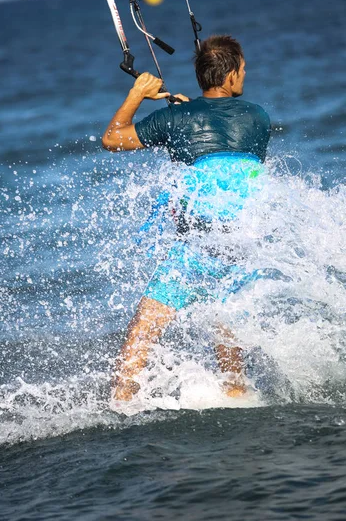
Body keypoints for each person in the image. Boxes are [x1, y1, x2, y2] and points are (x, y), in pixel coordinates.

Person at [102, 35, 271, 401]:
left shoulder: (176, 119)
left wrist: (138, 95)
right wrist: (186, 114)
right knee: (229, 351)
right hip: (240, 248)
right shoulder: (259, 118)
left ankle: (122, 404)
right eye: (242, 68)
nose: (245, 73)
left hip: (196, 249)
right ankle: (238, 399)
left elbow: (112, 139)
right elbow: (220, 139)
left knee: (141, 336)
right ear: (227, 77)